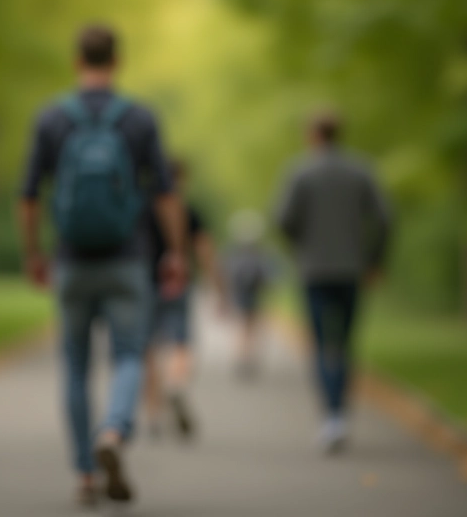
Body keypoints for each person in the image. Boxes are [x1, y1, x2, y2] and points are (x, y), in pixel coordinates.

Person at [18, 25, 187, 506]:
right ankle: (113, 429)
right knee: (130, 354)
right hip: (127, 259)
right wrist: (174, 252)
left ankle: (85, 475)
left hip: (71, 259)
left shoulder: (51, 118)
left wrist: (34, 253)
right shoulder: (138, 118)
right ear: (118, 61)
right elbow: (166, 194)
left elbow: (28, 197)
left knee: (74, 363)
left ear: (78, 60)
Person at [275, 112, 391, 454]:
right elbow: (385, 219)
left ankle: (331, 417)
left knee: (322, 343)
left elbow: (283, 219)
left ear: (312, 135)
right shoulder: (361, 170)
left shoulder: (299, 171)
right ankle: (341, 414)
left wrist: (301, 244)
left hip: (314, 271)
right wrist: (375, 260)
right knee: (345, 343)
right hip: (352, 270)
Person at [142, 159, 227, 441]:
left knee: (147, 350)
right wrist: (218, 286)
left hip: (144, 284)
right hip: (178, 285)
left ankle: (153, 413)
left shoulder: (142, 209)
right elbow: (204, 250)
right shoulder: (188, 211)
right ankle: (177, 385)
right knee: (181, 342)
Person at [224, 210, 275, 380]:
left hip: (240, 295)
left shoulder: (234, 253)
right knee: (252, 327)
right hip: (255, 295)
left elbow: (227, 273)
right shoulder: (260, 254)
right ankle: (249, 357)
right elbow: (269, 275)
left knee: (242, 327)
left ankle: (241, 357)